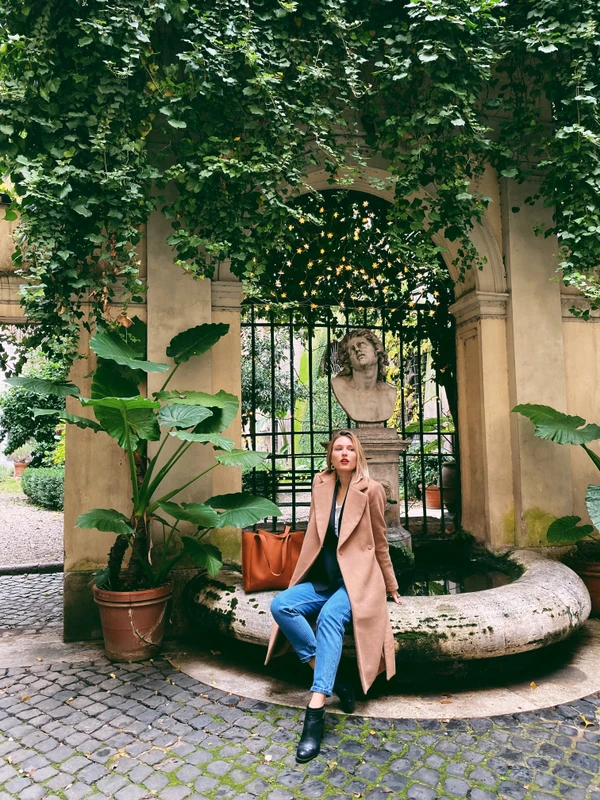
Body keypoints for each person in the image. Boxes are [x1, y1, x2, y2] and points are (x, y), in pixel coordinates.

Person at [265, 430, 402, 763]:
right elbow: (315, 535)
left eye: (350, 449)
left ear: (358, 456)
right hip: (324, 577)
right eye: (338, 448)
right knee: (281, 605)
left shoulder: (372, 490)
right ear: (331, 455)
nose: (344, 453)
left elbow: (380, 541)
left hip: (357, 580)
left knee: (330, 617)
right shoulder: (321, 483)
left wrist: (391, 585)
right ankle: (334, 677)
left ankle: (315, 710)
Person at [330, 329, 398, 423]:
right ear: (348, 361)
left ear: (376, 350)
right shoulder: (340, 386)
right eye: (352, 349)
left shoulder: (389, 393)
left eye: (361, 344)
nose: (357, 349)